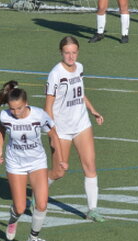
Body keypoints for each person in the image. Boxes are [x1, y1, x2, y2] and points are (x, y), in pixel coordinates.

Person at [0, 81, 66, 241]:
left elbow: (53, 135)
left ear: (26, 103)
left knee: (42, 204)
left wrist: (60, 159)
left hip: (37, 162)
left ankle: (33, 238)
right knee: (19, 208)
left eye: (19, 108)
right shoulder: (5, 116)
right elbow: (1, 128)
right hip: (15, 163)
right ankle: (13, 219)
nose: (16, 112)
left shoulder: (39, 115)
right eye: (12, 109)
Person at [45, 36, 105, 222]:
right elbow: (48, 106)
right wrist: (52, 132)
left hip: (81, 124)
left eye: (74, 52)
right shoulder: (55, 74)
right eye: (67, 53)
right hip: (62, 129)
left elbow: (80, 93)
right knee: (59, 172)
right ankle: (38, 192)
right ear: (61, 52)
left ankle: (92, 210)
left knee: (90, 165)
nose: (70, 56)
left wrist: (93, 110)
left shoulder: (79, 68)